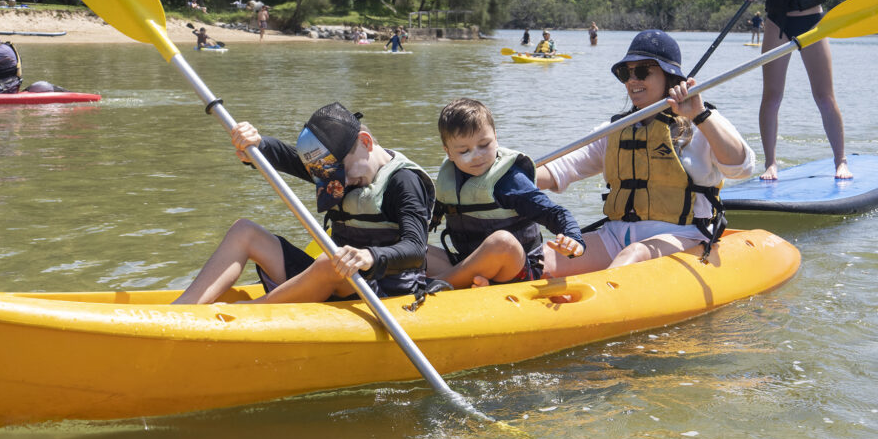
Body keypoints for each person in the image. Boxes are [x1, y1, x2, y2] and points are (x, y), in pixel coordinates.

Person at [536, 29, 754, 275]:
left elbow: (742, 167)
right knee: (539, 260)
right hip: (615, 235)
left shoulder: (700, 121)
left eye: (641, 72)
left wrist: (700, 115)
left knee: (634, 254)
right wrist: (508, 173)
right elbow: (559, 170)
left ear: (670, 77)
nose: (632, 80)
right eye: (625, 73)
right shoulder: (615, 130)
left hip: (682, 236)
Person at [171, 103, 436, 305]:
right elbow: (283, 156)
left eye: (340, 172)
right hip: (330, 281)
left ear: (365, 143)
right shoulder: (338, 168)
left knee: (328, 263)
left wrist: (370, 256)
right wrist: (255, 145)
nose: (340, 183)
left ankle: (249, 312)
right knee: (245, 232)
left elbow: (415, 249)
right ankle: (182, 311)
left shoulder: (404, 181)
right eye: (331, 176)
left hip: (381, 292)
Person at [736, 0, 860, 180]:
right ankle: (771, 164)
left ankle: (840, 161)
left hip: (813, 23)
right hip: (778, 23)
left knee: (825, 96)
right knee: (772, 96)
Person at [426, 98, 585, 289]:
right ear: (449, 152)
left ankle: (431, 287)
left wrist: (573, 239)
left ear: (495, 137)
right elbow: (426, 221)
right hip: (467, 262)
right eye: (463, 151)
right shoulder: (449, 179)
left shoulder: (510, 180)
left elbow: (555, 213)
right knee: (403, 247)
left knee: (502, 242)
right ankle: (457, 283)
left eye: (484, 145)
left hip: (517, 268)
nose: (476, 155)